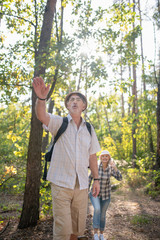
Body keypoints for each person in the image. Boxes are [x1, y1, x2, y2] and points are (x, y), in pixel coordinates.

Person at [32, 76, 101, 240]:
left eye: (78, 100)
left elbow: (92, 157)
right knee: (62, 230)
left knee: (76, 230)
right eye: (71, 100)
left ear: (84, 106)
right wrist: (41, 98)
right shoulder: (58, 122)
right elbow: (42, 115)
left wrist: (96, 179)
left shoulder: (90, 129)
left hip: (82, 185)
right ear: (68, 105)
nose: (75, 101)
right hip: (61, 184)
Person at [88, 150, 122, 240]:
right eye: (103, 156)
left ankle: (101, 234)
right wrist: (85, 191)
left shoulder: (110, 169)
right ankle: (95, 233)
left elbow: (120, 178)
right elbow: (89, 178)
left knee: (103, 215)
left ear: (109, 158)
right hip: (95, 194)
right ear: (100, 158)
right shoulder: (95, 167)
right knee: (97, 209)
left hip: (106, 196)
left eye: (107, 156)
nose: (105, 158)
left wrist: (115, 168)